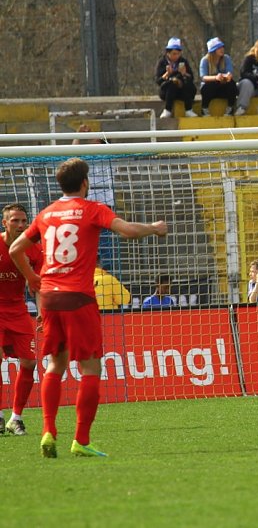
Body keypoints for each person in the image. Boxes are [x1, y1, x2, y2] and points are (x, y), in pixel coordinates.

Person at [9, 157, 167, 458]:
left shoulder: (46, 214)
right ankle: (81, 439)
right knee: (90, 366)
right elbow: (128, 232)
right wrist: (154, 228)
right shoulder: (93, 209)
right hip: (79, 297)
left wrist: (33, 278)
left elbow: (16, 249)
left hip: (51, 298)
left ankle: (48, 431)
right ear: (85, 182)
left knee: (56, 364)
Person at [0, 203, 42, 436]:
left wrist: (42, 312)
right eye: (15, 220)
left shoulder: (33, 249)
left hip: (18, 311)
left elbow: (38, 286)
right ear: (4, 223)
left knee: (29, 362)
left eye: (24, 220)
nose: (20, 224)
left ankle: (16, 418)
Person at [154, 37, 197, 119]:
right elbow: (158, 80)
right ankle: (168, 110)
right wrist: (167, 74)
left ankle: (188, 109)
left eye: (178, 54)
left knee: (187, 85)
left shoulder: (183, 61)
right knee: (172, 85)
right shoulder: (162, 62)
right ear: (168, 53)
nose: (176, 56)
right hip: (167, 91)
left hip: (181, 89)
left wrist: (184, 74)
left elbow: (191, 78)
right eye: (174, 54)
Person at [199, 37, 237, 117]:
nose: (222, 49)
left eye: (222, 47)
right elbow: (203, 77)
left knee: (232, 84)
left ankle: (230, 108)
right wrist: (216, 78)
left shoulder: (226, 58)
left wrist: (227, 76)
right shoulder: (205, 60)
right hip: (211, 89)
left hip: (223, 87)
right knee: (208, 86)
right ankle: (204, 108)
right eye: (219, 48)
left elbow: (229, 72)